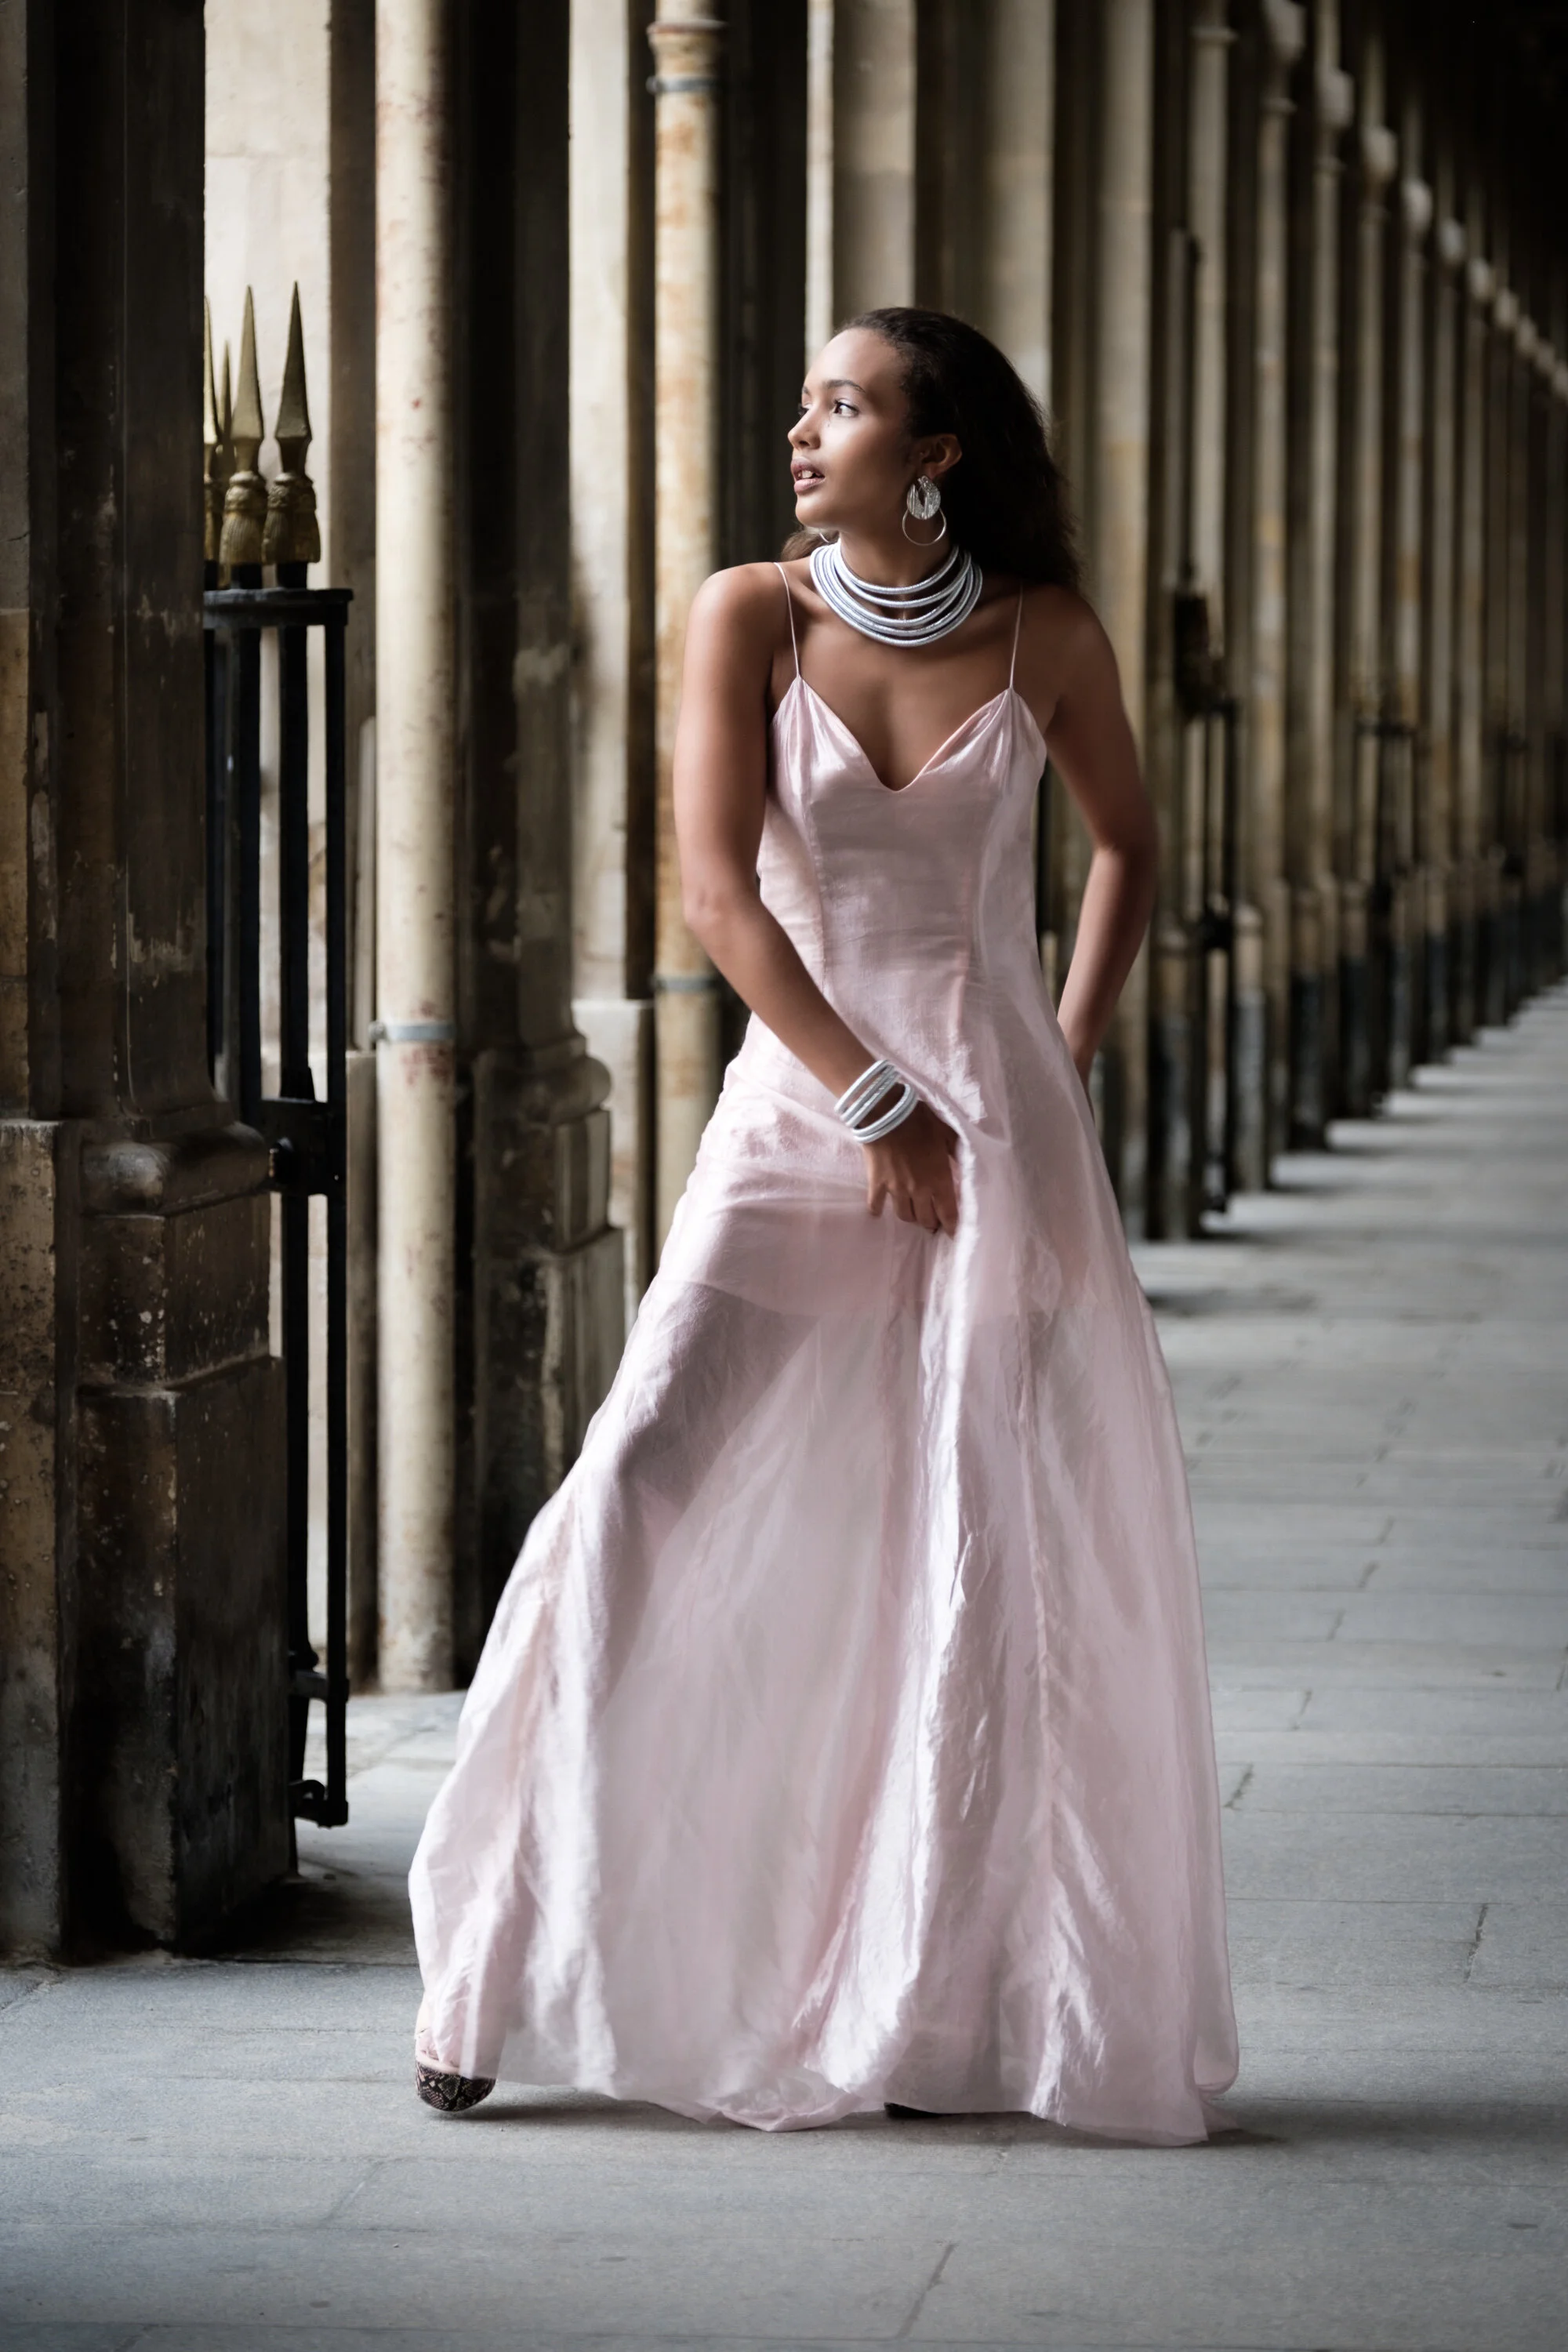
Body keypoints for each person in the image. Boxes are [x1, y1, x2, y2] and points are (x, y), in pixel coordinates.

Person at [409, 307, 1238, 2143]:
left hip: (994, 1128)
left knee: (965, 1543)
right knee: (635, 1484)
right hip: (804, 1115)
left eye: (846, 406)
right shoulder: (747, 615)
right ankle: (497, 1957)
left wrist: (1057, 1071)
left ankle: (930, 2002)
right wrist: (874, 1100)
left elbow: (1128, 849)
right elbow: (715, 889)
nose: (804, 433)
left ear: (933, 455)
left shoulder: (1044, 632)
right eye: (805, 404)